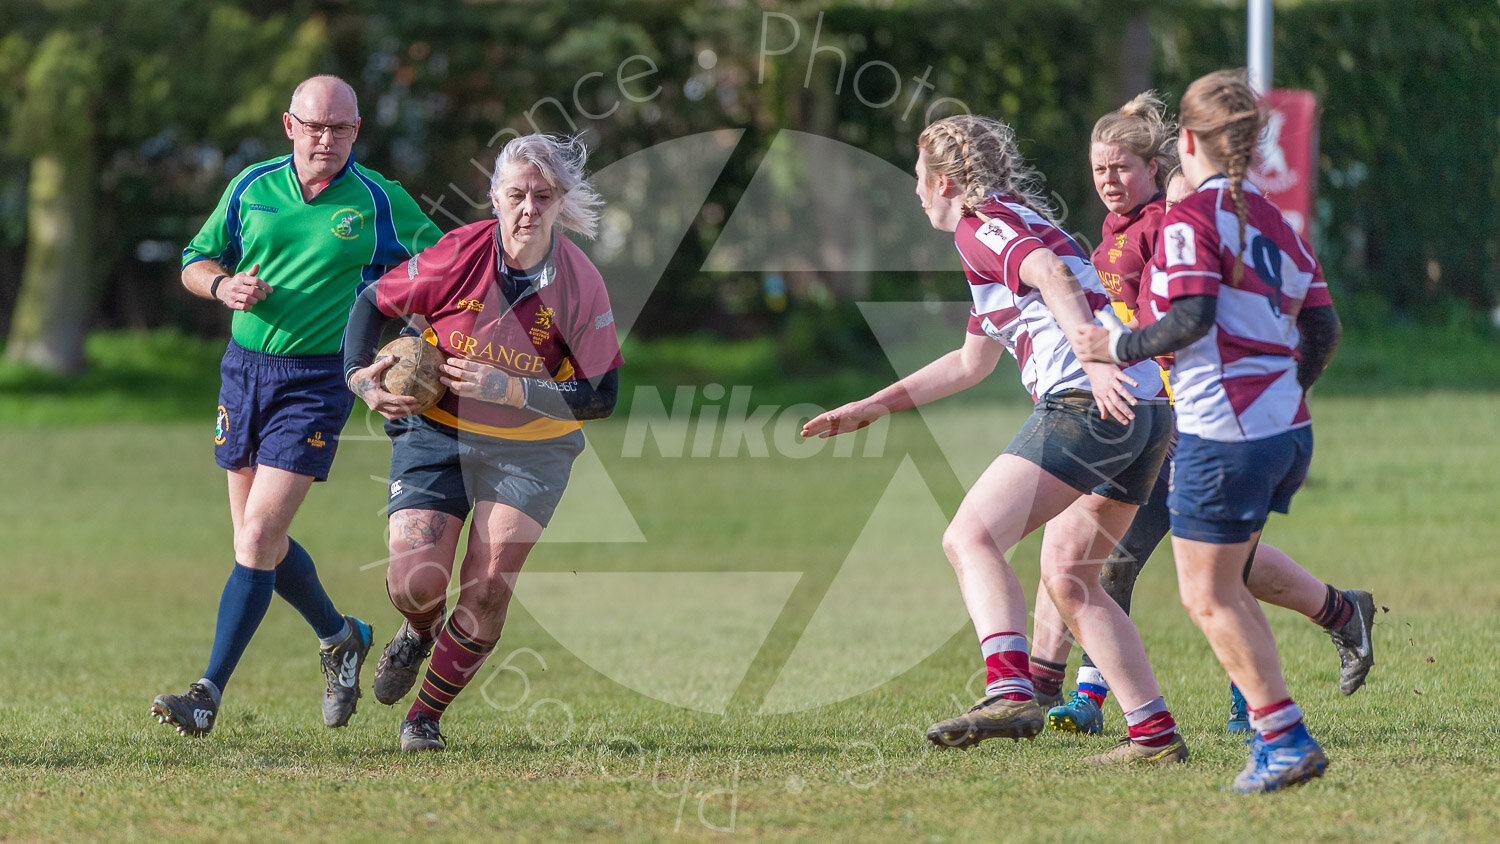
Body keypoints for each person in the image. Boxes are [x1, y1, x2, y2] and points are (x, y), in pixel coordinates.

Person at [804, 115, 1188, 765]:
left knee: (969, 537)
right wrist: (873, 405)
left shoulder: (980, 227)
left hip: (1091, 403)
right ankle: (1152, 736)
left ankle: (1010, 690)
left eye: (918, 179)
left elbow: (1050, 275)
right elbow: (969, 363)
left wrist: (1094, 363)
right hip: (1147, 409)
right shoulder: (1009, 222)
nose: (916, 192)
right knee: (1072, 579)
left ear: (945, 181)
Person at [1031, 96, 1376, 737]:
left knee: (1196, 565)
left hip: (1197, 419)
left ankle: (1258, 692)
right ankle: (1097, 695)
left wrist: (1122, 350)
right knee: (1145, 560)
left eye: (1122, 168)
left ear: (1165, 161)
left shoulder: (1177, 223)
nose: (1108, 181)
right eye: (1099, 169)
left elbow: (1193, 319)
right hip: (1164, 416)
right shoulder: (1119, 231)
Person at [153, 75, 441, 736]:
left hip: (318, 381)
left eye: (340, 128)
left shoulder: (378, 201)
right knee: (257, 541)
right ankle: (342, 637)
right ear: (289, 126)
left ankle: (206, 694)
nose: (325, 139)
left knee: (257, 537)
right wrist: (223, 285)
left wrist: (416, 338)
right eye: (314, 126)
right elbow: (195, 259)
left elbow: (443, 266)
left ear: (356, 132)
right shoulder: (252, 185)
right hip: (243, 374)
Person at [342, 133, 623, 752]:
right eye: (517, 195)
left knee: (489, 583)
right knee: (415, 582)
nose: (529, 209)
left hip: (533, 448)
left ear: (560, 203)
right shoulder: (455, 256)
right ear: (494, 197)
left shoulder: (580, 284)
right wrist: (360, 378)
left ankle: (424, 718)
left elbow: (603, 395)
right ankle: (417, 632)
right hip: (436, 432)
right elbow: (371, 303)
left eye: (543, 197)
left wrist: (514, 389)